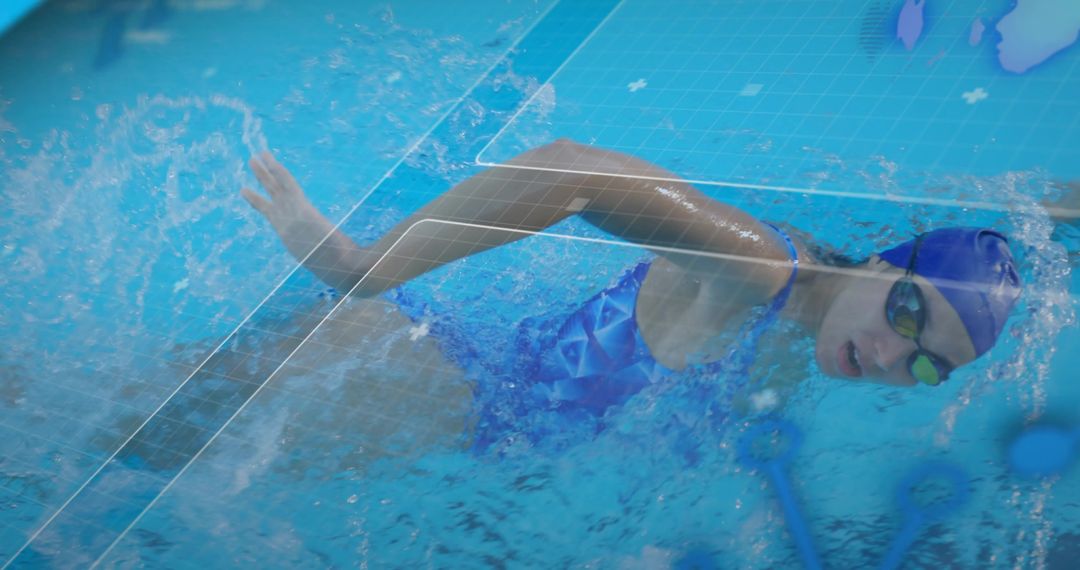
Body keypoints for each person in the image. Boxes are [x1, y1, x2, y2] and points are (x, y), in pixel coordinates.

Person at [240, 139, 1022, 450]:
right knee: (141, 450)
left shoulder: (816, 325)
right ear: (885, 268)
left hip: (478, 413)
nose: (891, 355)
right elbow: (575, 171)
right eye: (908, 312)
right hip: (427, 379)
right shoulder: (764, 270)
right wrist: (361, 267)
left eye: (927, 367)